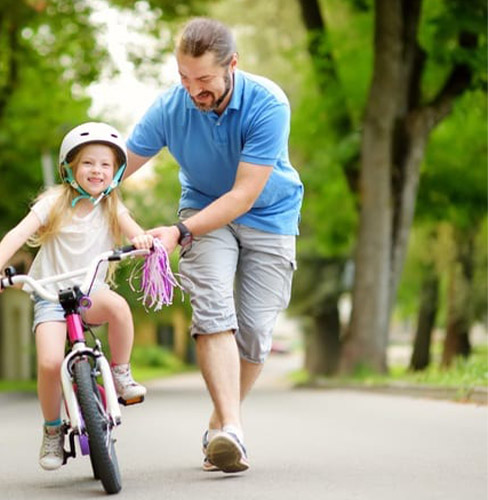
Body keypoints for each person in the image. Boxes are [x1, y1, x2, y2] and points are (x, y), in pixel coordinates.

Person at [125, 18, 303, 473]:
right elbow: (121, 163)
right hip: (203, 213)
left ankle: (221, 424)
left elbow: (244, 195)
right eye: (184, 77)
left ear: (232, 66)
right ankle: (232, 432)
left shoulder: (268, 103)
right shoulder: (171, 106)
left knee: (257, 331)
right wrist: (77, 185)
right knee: (213, 311)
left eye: (203, 79)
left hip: (269, 214)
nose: (192, 90)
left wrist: (178, 234)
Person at [0, 122, 154, 471]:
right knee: (47, 363)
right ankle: (52, 430)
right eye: (88, 163)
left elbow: (136, 233)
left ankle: (120, 373)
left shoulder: (111, 206)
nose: (97, 170)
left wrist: (143, 241)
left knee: (119, 307)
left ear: (116, 171)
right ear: (70, 168)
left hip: (91, 293)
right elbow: (17, 234)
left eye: (106, 164)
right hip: (50, 296)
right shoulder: (54, 202)